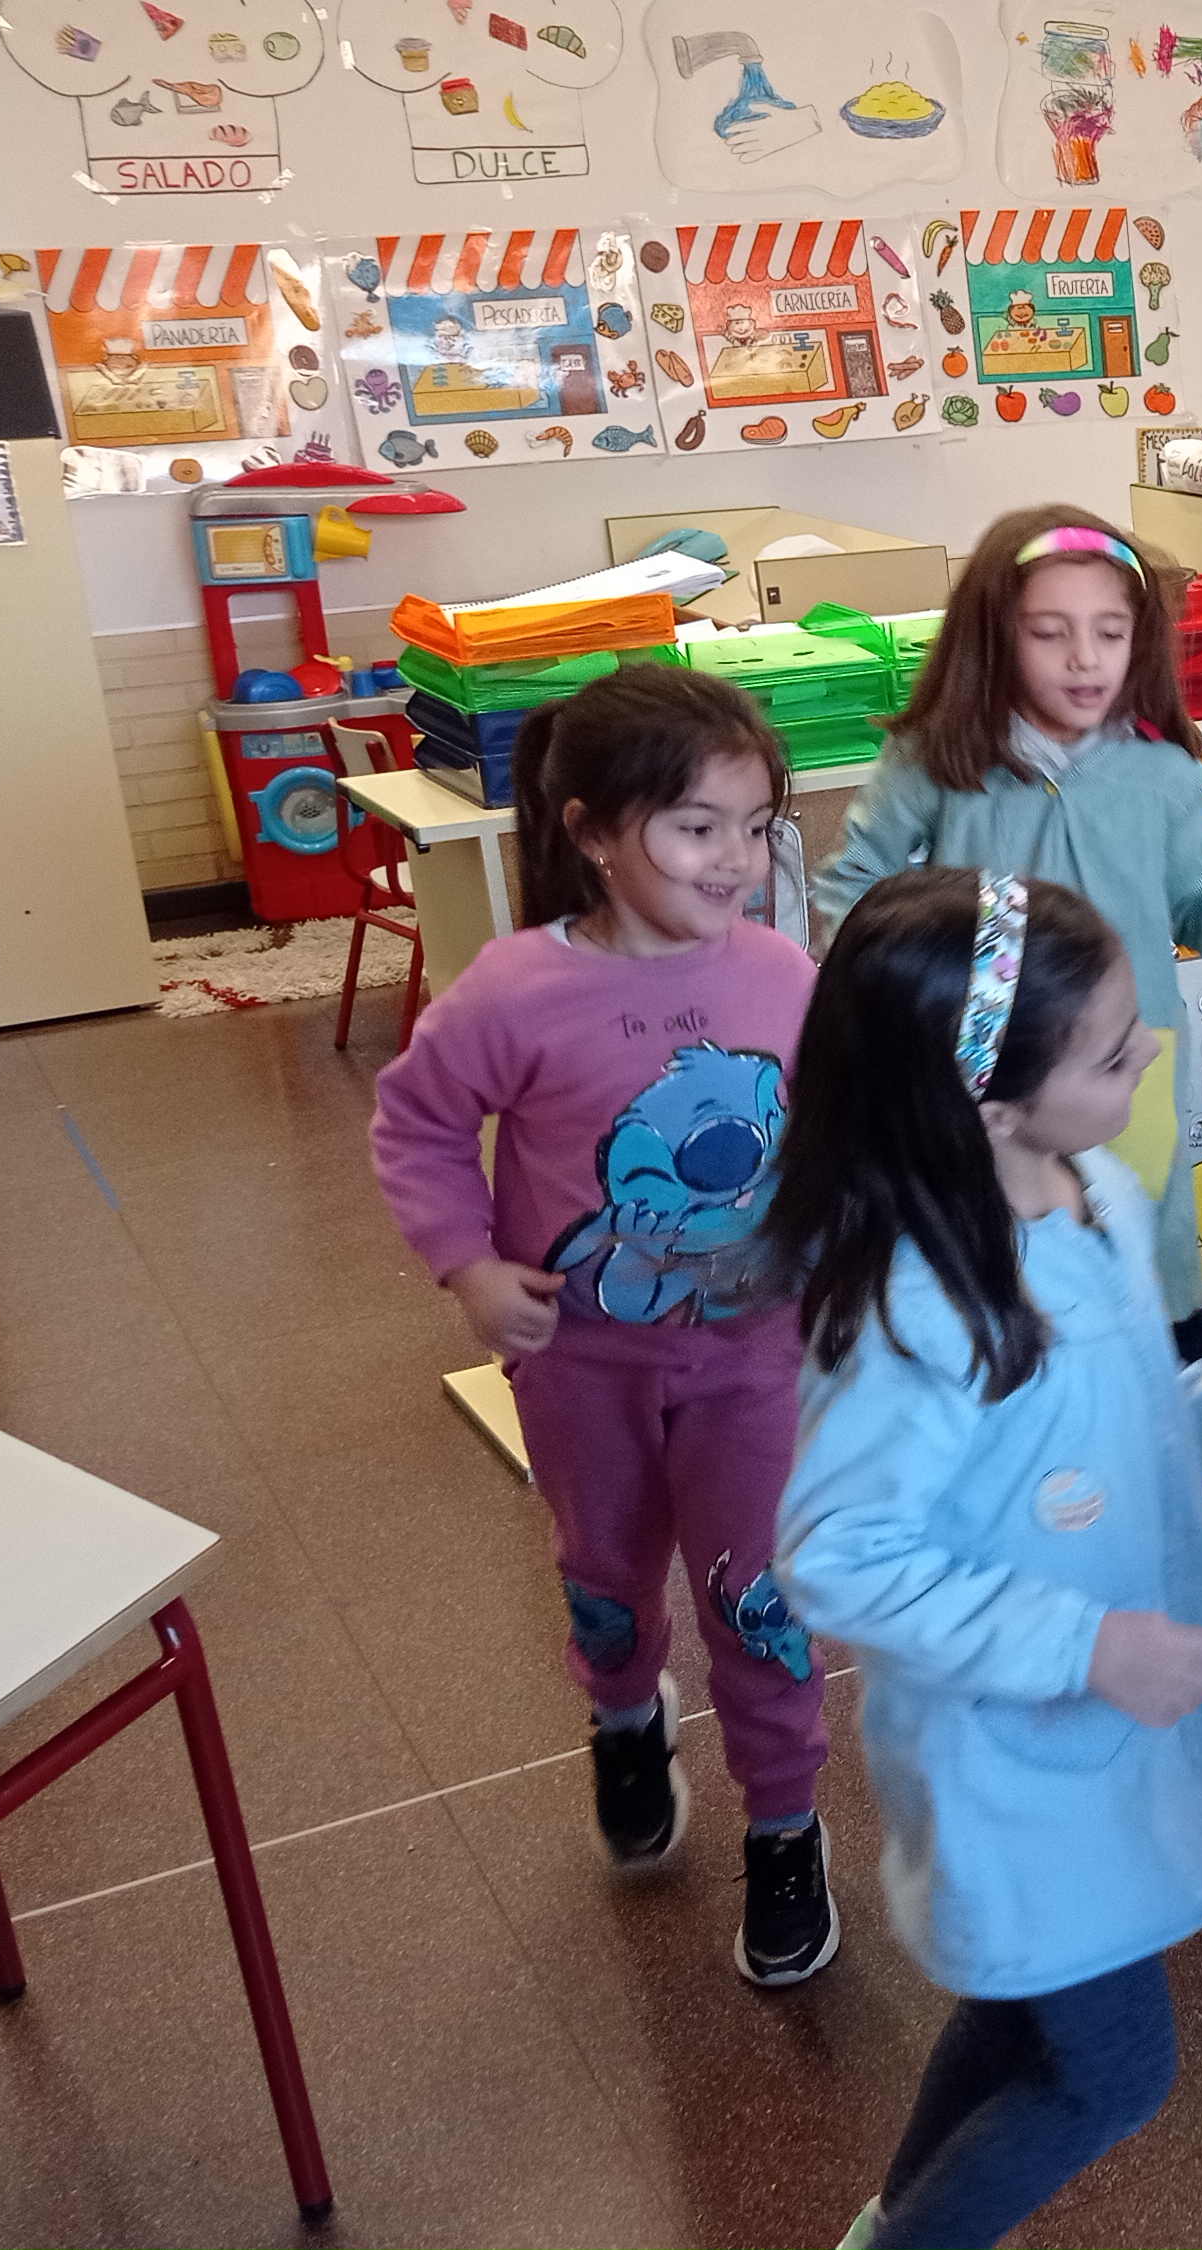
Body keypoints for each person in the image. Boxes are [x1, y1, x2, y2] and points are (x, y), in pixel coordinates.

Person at [762, 871, 1202, 2250]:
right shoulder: (920, 1303)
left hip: (1104, 1737)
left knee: (1020, 2015)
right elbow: (839, 1556)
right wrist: (1083, 1643)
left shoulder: (1093, 1188)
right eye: (1110, 1054)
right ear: (989, 1106)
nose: (1149, 1053)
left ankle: (892, 2222)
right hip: (1015, 1763)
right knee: (1110, 2074)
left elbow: (1137, 1392)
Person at [370, 663, 838, 1987]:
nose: (734, 859)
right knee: (607, 1566)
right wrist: (467, 1266)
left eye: (755, 827)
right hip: (580, 1364)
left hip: (752, 1359)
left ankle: (784, 1824)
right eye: (697, 827)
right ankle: (627, 1715)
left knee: (754, 1590)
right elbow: (415, 1123)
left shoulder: (782, 973)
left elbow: (834, 1123)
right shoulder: (514, 989)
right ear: (590, 832)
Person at [811, 506, 1202, 1360]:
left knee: (1141, 1270)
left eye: (1110, 633)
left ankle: (1181, 1409)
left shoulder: (1164, 768)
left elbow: (1194, 896)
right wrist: (885, 1003)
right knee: (1008, 1266)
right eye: (1050, 633)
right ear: (994, 638)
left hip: (1127, 1059)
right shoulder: (938, 757)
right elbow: (853, 884)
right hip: (987, 1067)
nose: (1085, 658)